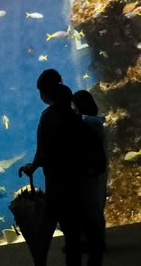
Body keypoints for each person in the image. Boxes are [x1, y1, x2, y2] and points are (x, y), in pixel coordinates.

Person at [20, 77, 105, 266]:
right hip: (81, 179)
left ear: (45, 94)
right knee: (87, 219)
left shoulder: (48, 118)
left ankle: (74, 262)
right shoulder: (76, 118)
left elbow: (42, 150)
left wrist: (32, 167)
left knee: (70, 228)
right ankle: (95, 259)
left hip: (59, 182)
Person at [72, 89, 107, 251]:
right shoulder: (97, 121)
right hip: (99, 168)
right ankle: (97, 240)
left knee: (90, 206)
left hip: (91, 170)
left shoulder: (87, 122)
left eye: (74, 106)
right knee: (97, 205)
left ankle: (94, 242)